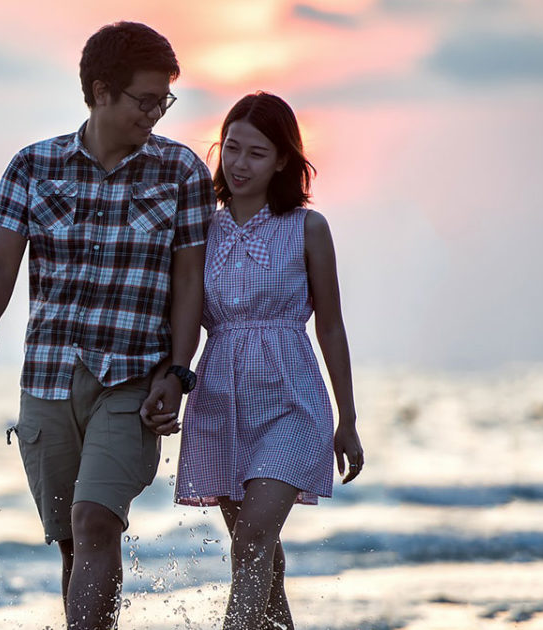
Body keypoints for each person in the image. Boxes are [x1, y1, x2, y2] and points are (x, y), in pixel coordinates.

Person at [0, 21, 214, 630]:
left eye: (165, 101)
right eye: (146, 99)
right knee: (75, 540)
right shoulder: (33, 165)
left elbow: (189, 287)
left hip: (132, 380)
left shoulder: (180, 172)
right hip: (47, 378)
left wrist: (179, 374)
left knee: (96, 519)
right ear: (101, 91)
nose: (157, 112)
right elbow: (1, 262)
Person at [173, 92, 365, 630]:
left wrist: (347, 418)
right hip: (220, 402)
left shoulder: (309, 228)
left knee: (254, 538)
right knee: (257, 551)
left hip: (291, 400)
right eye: (231, 148)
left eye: (256, 153)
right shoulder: (200, 229)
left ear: (283, 160)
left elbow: (330, 324)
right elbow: (183, 315)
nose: (238, 164)